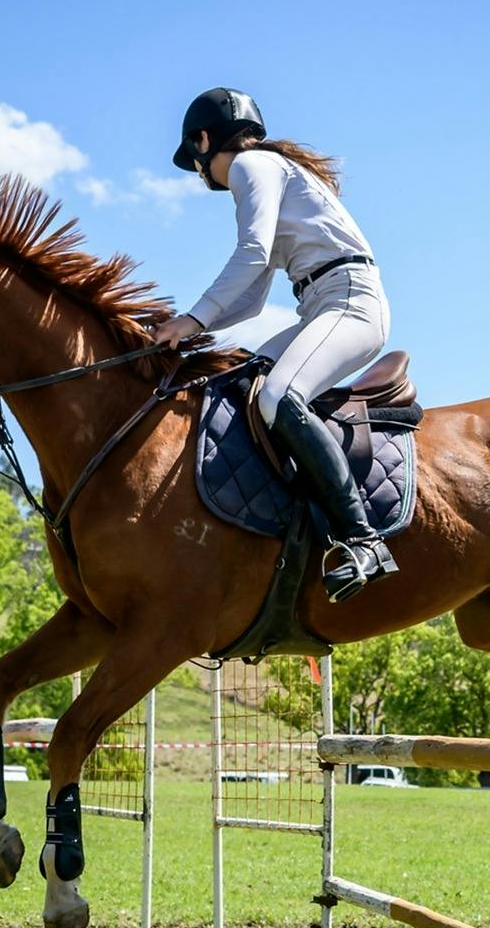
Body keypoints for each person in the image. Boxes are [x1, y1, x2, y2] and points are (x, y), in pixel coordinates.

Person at [152, 87, 398, 603]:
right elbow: (252, 296)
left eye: (194, 160)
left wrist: (193, 317)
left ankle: (364, 540)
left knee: (277, 397)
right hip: (325, 302)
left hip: (348, 301)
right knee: (241, 380)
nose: (200, 176)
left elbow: (251, 252)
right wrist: (194, 331)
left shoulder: (250, 165)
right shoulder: (267, 169)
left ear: (203, 139)